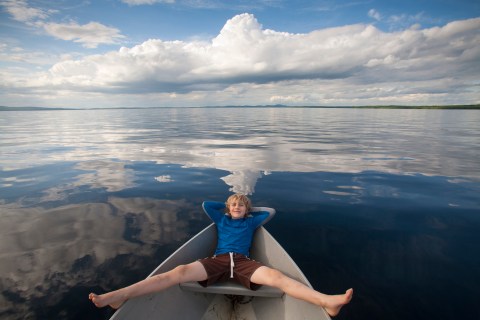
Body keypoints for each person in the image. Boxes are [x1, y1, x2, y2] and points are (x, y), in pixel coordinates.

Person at [89, 194, 353, 317]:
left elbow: (268, 211)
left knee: (275, 276)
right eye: (233, 205)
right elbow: (207, 204)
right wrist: (228, 207)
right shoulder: (221, 217)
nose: (237, 207)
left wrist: (247, 208)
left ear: (248, 210)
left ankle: (325, 301)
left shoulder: (251, 222)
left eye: (241, 205)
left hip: (242, 262)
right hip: (216, 261)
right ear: (226, 208)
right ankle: (120, 295)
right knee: (177, 273)